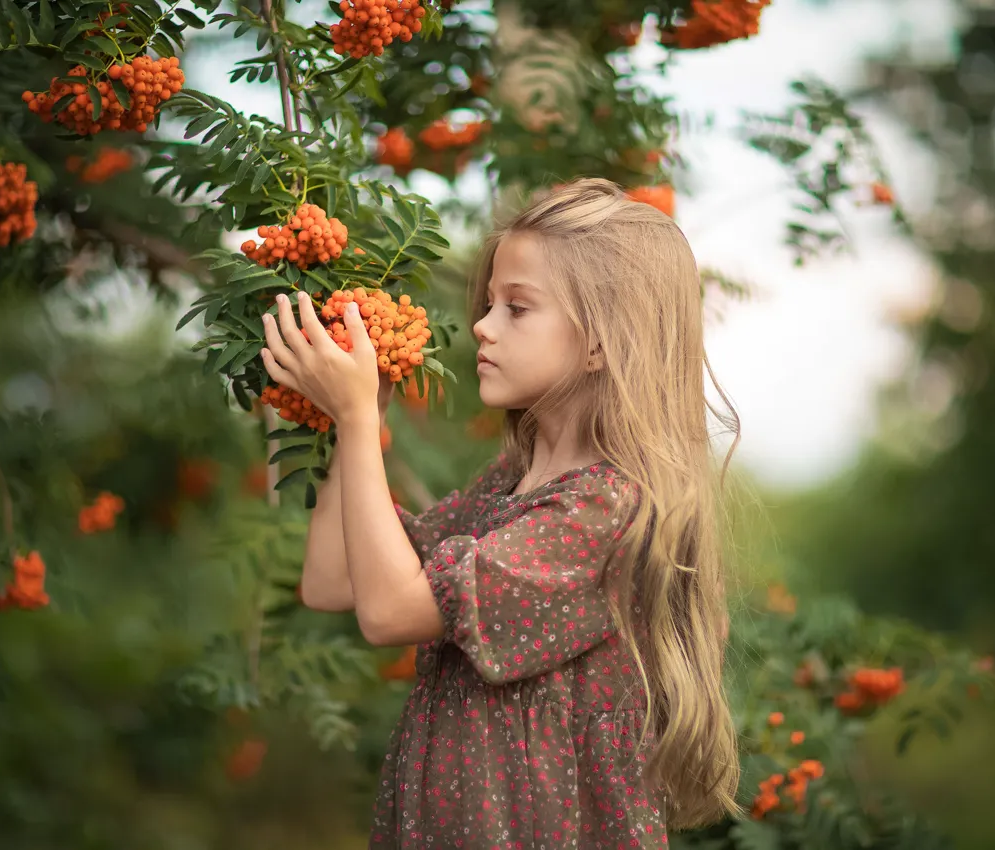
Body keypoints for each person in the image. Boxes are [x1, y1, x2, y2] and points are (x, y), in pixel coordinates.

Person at [259, 177, 742, 848]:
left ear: (601, 342)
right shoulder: (509, 487)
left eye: (518, 308)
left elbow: (390, 612)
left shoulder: (604, 509)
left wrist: (354, 418)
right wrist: (359, 420)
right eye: (490, 304)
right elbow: (333, 581)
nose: (483, 327)